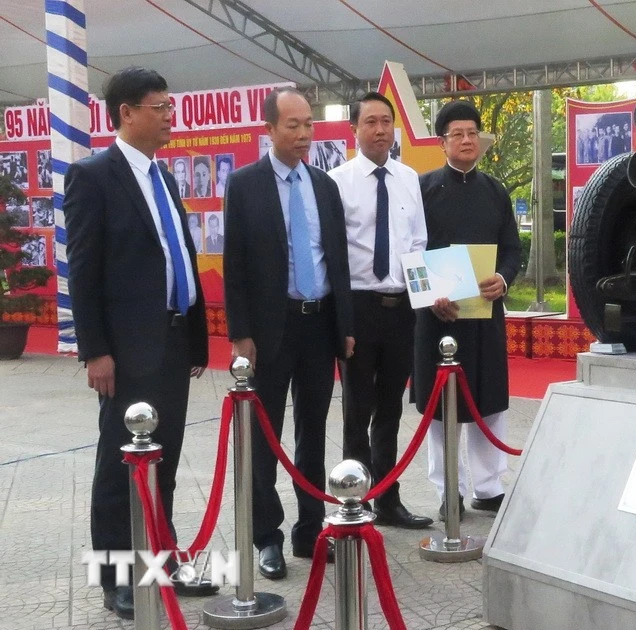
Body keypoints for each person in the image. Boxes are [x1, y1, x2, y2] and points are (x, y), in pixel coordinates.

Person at [63, 66, 214, 621]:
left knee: (164, 459)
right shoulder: (93, 177)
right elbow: (84, 271)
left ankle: (160, 562)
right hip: (125, 351)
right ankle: (116, 577)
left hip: (172, 341)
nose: (170, 115)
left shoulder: (162, 176)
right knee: (118, 465)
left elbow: (176, 257)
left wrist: (195, 337)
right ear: (126, 112)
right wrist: (96, 350)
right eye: (161, 106)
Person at [223, 87, 355, 580]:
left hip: (319, 324)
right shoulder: (245, 185)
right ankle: (267, 537)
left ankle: (310, 529)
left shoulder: (324, 186)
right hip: (269, 329)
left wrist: (345, 327)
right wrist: (241, 334)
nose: (303, 134)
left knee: (313, 433)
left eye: (309, 124)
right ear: (270, 129)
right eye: (292, 125)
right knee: (264, 435)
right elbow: (235, 264)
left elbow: (336, 261)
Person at [328, 92, 433, 529]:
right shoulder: (336, 181)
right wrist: (341, 319)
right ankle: (356, 498)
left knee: (391, 407)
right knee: (359, 407)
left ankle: (388, 498)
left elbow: (418, 244)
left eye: (386, 121)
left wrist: (424, 303)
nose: (380, 130)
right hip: (358, 306)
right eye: (370, 122)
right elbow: (333, 253)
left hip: (400, 308)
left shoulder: (409, 178)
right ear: (355, 129)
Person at [413, 100, 521, 519]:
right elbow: (411, 250)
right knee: (442, 406)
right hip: (438, 315)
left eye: (472, 133)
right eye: (457, 134)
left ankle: (489, 486)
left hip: (485, 312)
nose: (465, 140)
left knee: (489, 400)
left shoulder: (496, 192)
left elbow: (513, 250)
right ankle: (448, 490)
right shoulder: (422, 190)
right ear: (442, 143)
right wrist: (430, 296)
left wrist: (504, 279)